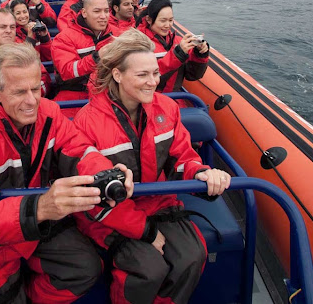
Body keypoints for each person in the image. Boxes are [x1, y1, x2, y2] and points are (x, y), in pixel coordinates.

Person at [0, 42, 134, 303]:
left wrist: (107, 174)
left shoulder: (50, 113)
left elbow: (78, 150)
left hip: (37, 226)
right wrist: (41, 208)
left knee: (84, 269)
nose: (32, 101)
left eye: (35, 89)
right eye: (20, 92)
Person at [72, 29, 231, 304]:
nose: (153, 82)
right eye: (143, 75)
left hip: (159, 202)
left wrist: (201, 172)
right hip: (111, 215)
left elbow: (182, 156)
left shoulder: (167, 109)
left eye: (155, 73)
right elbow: (93, 196)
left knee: (192, 257)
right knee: (147, 269)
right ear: (118, 75)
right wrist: (145, 230)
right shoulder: (87, 122)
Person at [51, 0, 115, 116]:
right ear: (84, 13)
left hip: (109, 93)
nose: (103, 16)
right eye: (97, 11)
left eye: (106, 11)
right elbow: (67, 71)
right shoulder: (64, 38)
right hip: (74, 94)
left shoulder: (115, 35)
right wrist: (97, 58)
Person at [137, 0, 209, 101]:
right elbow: (149, 80)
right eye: (163, 21)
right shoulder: (139, 43)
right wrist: (178, 55)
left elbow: (193, 76)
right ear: (149, 19)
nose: (167, 25)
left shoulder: (178, 41)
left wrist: (200, 54)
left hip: (175, 99)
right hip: (149, 99)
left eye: (170, 20)